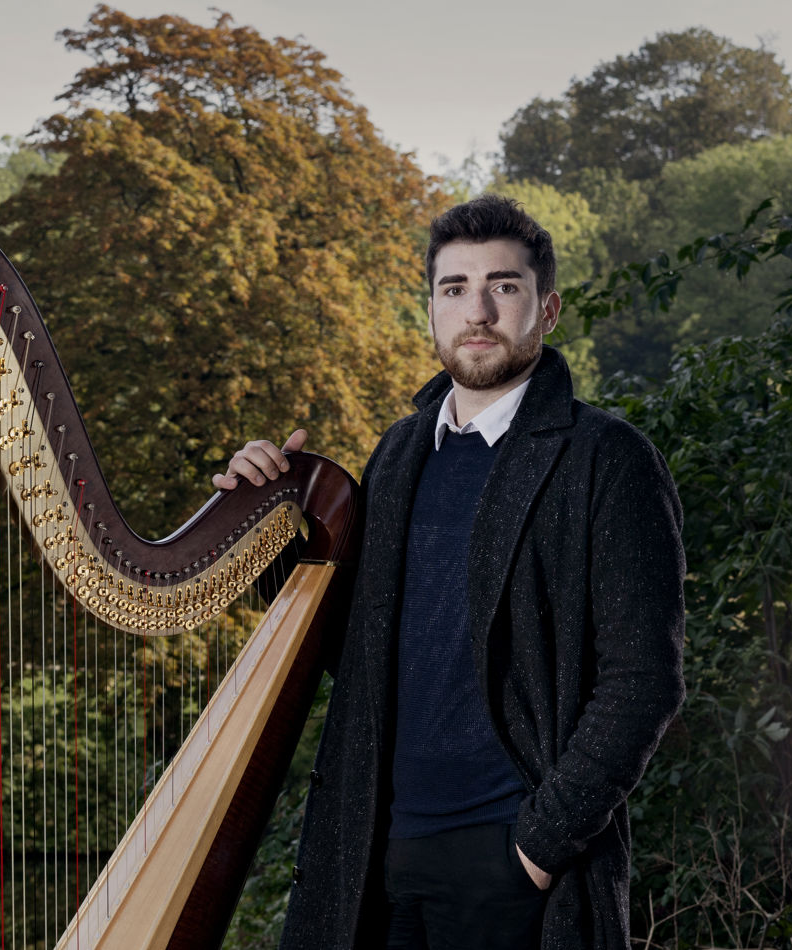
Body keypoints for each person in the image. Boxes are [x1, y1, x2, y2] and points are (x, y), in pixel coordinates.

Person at [217, 195, 686, 950]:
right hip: (377, 858)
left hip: (510, 870)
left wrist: (534, 853)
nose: (478, 311)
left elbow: (644, 682)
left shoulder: (607, 459)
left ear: (547, 308)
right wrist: (265, 526)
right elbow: (360, 657)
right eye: (455, 288)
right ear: (430, 311)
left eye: (504, 286)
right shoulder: (399, 454)